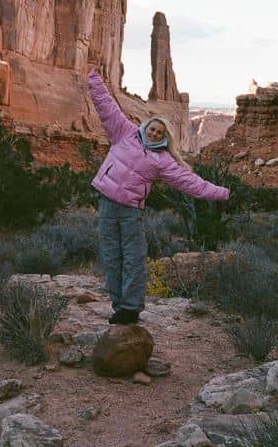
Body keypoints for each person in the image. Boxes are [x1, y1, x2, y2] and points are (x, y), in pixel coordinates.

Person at [87, 68, 230, 324]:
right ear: (145, 127)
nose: (153, 134)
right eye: (152, 129)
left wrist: (222, 193)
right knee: (111, 257)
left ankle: (130, 309)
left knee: (132, 259)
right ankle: (119, 306)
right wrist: (94, 78)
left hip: (130, 212)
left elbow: (191, 183)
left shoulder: (163, 161)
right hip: (107, 205)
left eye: (159, 133)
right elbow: (106, 105)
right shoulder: (124, 132)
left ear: (164, 138)